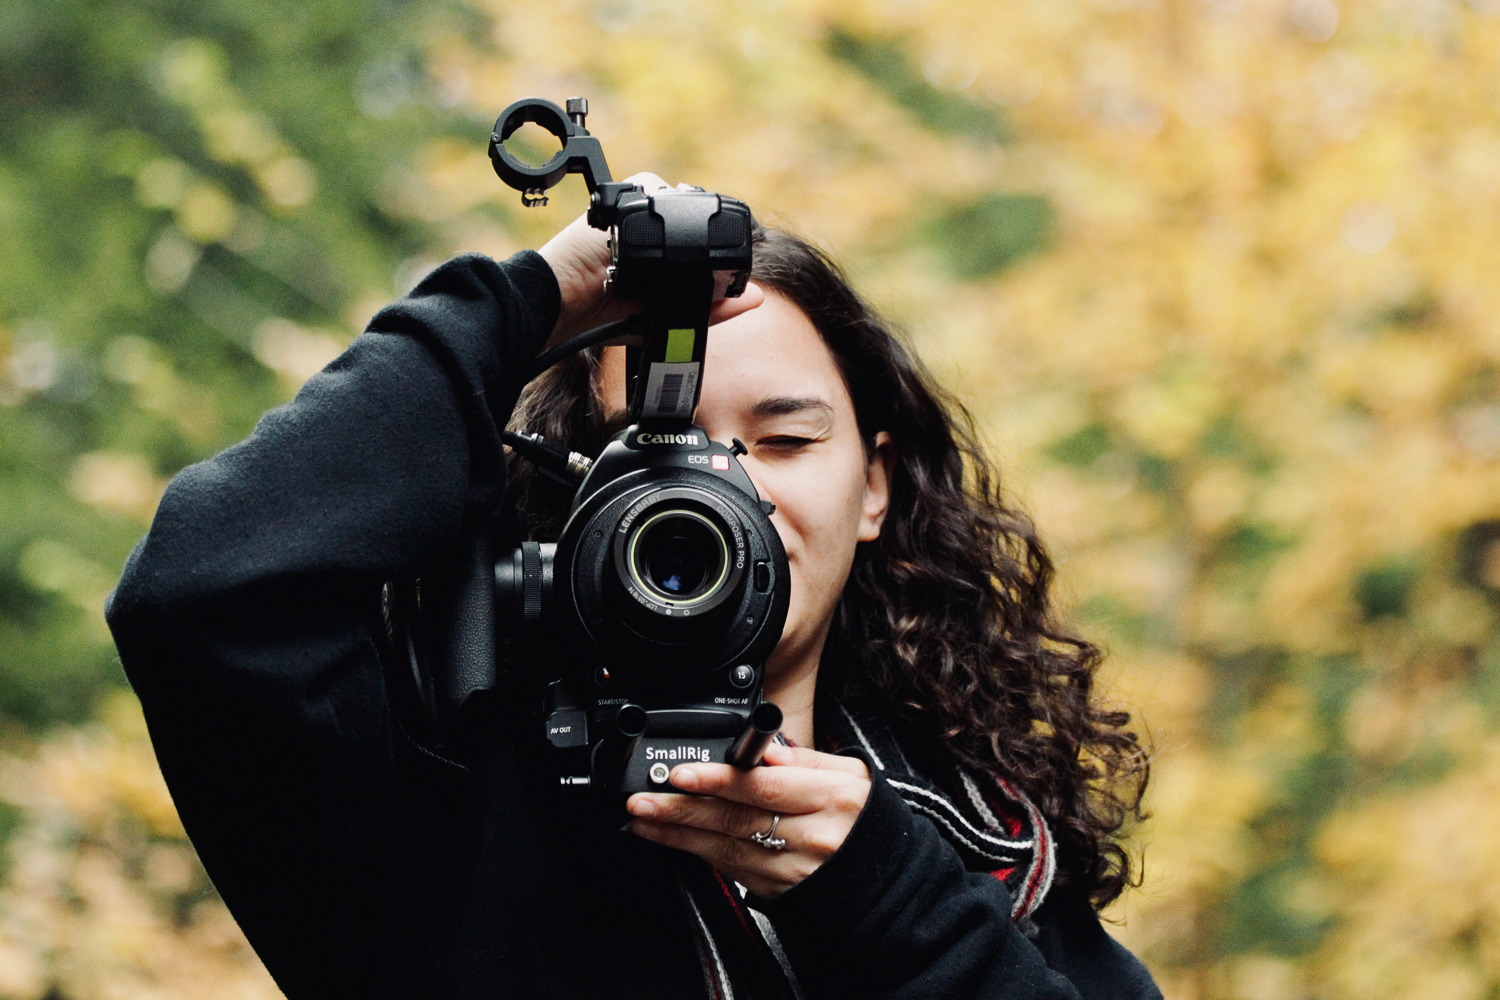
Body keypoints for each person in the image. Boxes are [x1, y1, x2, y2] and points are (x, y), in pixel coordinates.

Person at [106, 175, 1159, 1000]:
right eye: (658, 445)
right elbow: (204, 588)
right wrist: (530, 299)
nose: (723, 491)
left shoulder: (985, 840)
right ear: (580, 488)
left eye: (784, 439)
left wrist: (879, 891)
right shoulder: (439, 818)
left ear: (873, 486)